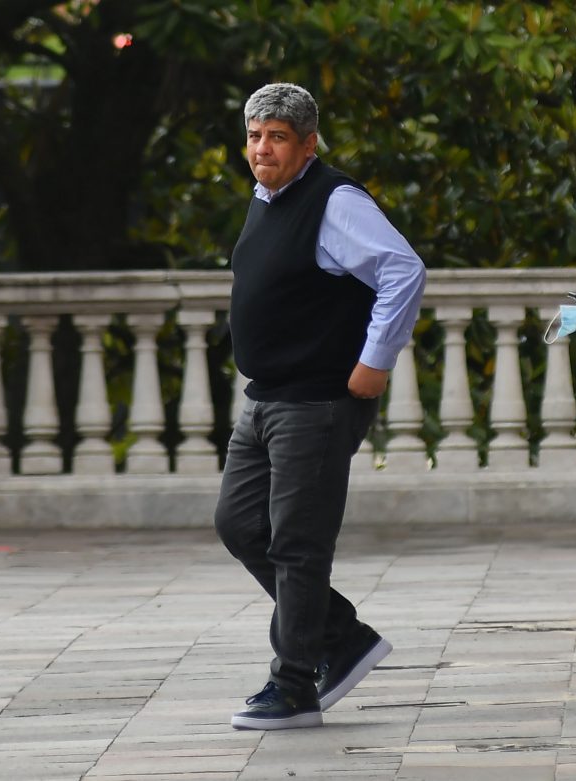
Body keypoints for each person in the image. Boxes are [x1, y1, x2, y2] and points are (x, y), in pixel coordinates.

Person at [215, 83, 426, 730]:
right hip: (264, 398)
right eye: (254, 136)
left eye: (276, 136)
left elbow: (402, 269)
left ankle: (293, 682)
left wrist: (375, 360)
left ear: (307, 143)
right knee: (240, 525)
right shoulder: (265, 201)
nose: (261, 148)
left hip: (316, 401)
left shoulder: (334, 201)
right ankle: (343, 635)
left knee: (298, 544)